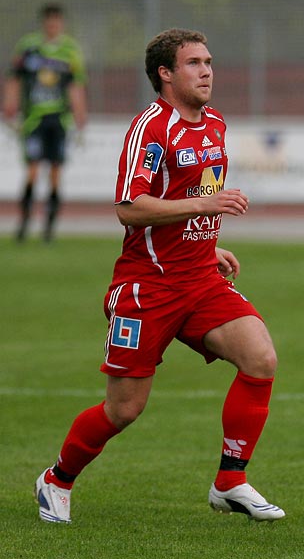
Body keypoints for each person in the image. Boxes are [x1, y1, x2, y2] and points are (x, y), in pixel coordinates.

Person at [34, 28, 284, 525]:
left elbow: (194, 200)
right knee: (124, 409)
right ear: (165, 74)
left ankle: (230, 482)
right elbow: (130, 209)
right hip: (146, 287)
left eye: (209, 61)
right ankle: (56, 480)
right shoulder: (151, 128)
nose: (207, 70)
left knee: (260, 358)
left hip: (200, 278)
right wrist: (206, 205)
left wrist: (208, 242)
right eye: (194, 63)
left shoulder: (214, 124)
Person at [2, 3, 87, 242]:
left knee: (55, 174)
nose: (53, 26)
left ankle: (49, 227)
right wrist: (10, 106)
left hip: (59, 120)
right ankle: (25, 221)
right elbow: (14, 78)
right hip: (33, 120)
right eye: (49, 21)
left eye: (57, 22)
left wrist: (81, 117)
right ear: (43, 23)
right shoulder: (29, 47)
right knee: (31, 171)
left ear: (61, 24)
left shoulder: (70, 50)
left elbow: (75, 85)